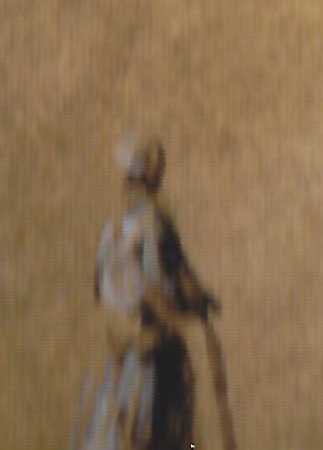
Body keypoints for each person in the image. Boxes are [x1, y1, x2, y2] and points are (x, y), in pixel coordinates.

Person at [81, 141, 226, 450]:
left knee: (116, 418)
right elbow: (172, 276)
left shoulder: (113, 228)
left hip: (120, 341)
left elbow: (98, 286)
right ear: (154, 179)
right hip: (155, 340)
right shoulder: (158, 222)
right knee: (167, 418)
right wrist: (199, 301)